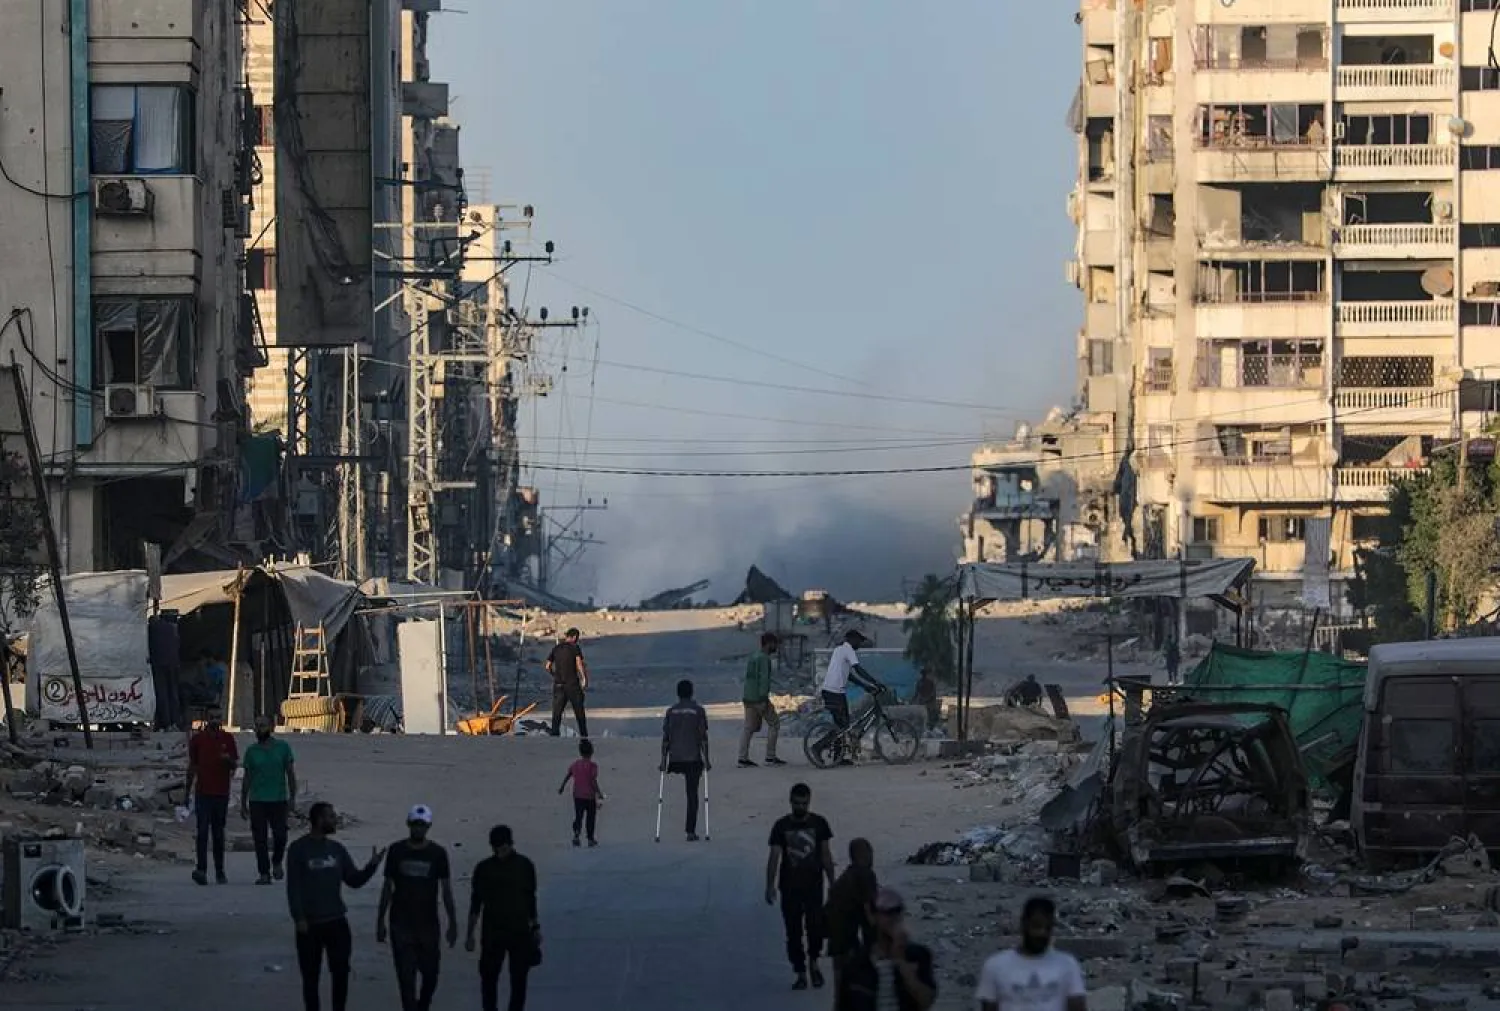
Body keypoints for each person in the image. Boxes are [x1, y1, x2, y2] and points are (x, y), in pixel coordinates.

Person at [285, 802, 386, 1011]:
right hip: (310, 925)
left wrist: (372, 865)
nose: (335, 820)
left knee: (341, 974)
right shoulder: (298, 849)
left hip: (336, 922)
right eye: (331, 816)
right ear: (319, 820)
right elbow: (293, 887)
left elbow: (354, 880)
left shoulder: (337, 849)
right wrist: (299, 918)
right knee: (310, 978)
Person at [377, 805, 458, 1011]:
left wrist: (453, 922)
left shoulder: (438, 854)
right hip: (400, 923)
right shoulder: (396, 850)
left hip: (428, 925)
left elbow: (446, 890)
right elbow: (388, 887)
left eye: (422, 825)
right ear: (408, 825)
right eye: (415, 824)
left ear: (429, 826)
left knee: (431, 976)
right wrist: (380, 921)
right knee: (406, 979)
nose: (418, 829)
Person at [765, 782, 836, 990]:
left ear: (809, 802)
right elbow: (774, 857)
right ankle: (800, 971)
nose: (800, 807)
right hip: (789, 887)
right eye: (797, 803)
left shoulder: (820, 824)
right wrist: (770, 885)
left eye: (804, 803)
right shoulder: (781, 826)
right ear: (790, 802)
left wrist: (832, 882)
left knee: (815, 928)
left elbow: (825, 855)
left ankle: (813, 963)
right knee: (793, 932)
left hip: (813, 885)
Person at [467, 824, 541, 1011]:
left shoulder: (524, 866)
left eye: (503, 847)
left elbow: (530, 899)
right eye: (497, 847)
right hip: (493, 932)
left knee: (518, 980)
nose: (500, 851)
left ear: (510, 844)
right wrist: (470, 934)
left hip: (518, 931)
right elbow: (476, 903)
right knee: (489, 978)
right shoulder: (484, 869)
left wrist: (535, 927)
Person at [976, 895, 1087, 1011]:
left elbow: (1077, 1005)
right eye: (1037, 926)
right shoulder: (996, 966)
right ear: (1024, 924)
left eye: (1048, 928)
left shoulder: (1067, 965)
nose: (1042, 933)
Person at [838, 887, 938, 1011]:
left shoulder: (917, 956)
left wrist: (901, 962)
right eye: (886, 913)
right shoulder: (856, 965)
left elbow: (926, 1001)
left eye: (896, 911)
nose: (892, 918)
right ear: (873, 917)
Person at [186, 704, 238, 885]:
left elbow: (234, 765)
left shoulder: (228, 739)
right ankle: (201, 869)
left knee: (218, 834)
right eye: (213, 717)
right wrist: (187, 791)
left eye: (218, 717)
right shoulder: (198, 740)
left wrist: (228, 760)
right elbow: (192, 766)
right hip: (203, 793)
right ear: (207, 718)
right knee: (202, 832)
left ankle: (219, 871)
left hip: (221, 793)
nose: (216, 720)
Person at [242, 714, 297, 885]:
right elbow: (247, 777)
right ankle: (264, 873)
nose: (260, 729)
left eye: (263, 726)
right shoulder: (251, 751)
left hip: (278, 799)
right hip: (257, 800)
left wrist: (293, 797)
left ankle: (277, 861)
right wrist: (243, 801)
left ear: (271, 727)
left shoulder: (283, 748)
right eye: (257, 726)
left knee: (281, 836)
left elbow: (290, 774)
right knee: (260, 839)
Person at [825, 837, 878, 1001]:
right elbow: (868, 908)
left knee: (840, 972)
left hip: (834, 925)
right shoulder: (865, 874)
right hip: (845, 928)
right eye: (870, 852)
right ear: (865, 854)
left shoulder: (848, 874)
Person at [661, 678, 711, 841]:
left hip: (675, 758)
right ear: (692, 692)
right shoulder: (698, 711)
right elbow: (703, 737)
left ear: (677, 694)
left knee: (689, 792)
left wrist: (663, 761)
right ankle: (690, 831)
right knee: (692, 794)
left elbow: (666, 738)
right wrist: (707, 759)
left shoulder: (671, 712)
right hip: (692, 758)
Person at [820, 630, 879, 765]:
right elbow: (858, 669)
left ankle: (838, 757)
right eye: (858, 640)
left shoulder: (839, 650)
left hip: (833, 692)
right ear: (851, 639)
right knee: (842, 727)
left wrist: (866, 686)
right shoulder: (848, 650)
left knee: (843, 725)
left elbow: (849, 675)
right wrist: (874, 682)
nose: (859, 643)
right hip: (834, 692)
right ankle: (818, 748)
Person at [739, 632, 786, 767]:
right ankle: (770, 757)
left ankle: (742, 758)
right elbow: (764, 680)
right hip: (759, 698)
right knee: (774, 724)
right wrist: (763, 699)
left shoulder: (753, 657)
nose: (776, 647)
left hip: (748, 697)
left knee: (748, 728)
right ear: (769, 644)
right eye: (774, 644)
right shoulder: (764, 659)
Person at [558, 738, 606, 846]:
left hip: (578, 795)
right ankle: (590, 839)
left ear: (580, 752)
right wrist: (599, 793)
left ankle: (576, 834)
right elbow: (593, 781)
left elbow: (568, 775)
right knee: (590, 818)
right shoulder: (593, 766)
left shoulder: (575, 764)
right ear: (592, 752)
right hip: (589, 796)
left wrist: (562, 787)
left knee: (578, 816)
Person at [546, 628, 589, 738]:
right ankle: (584, 735)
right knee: (579, 712)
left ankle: (555, 735)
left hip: (558, 685)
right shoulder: (575, 648)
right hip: (572, 684)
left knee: (557, 713)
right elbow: (579, 664)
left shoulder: (556, 648)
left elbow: (547, 666)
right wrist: (584, 678)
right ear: (574, 637)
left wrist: (554, 675)